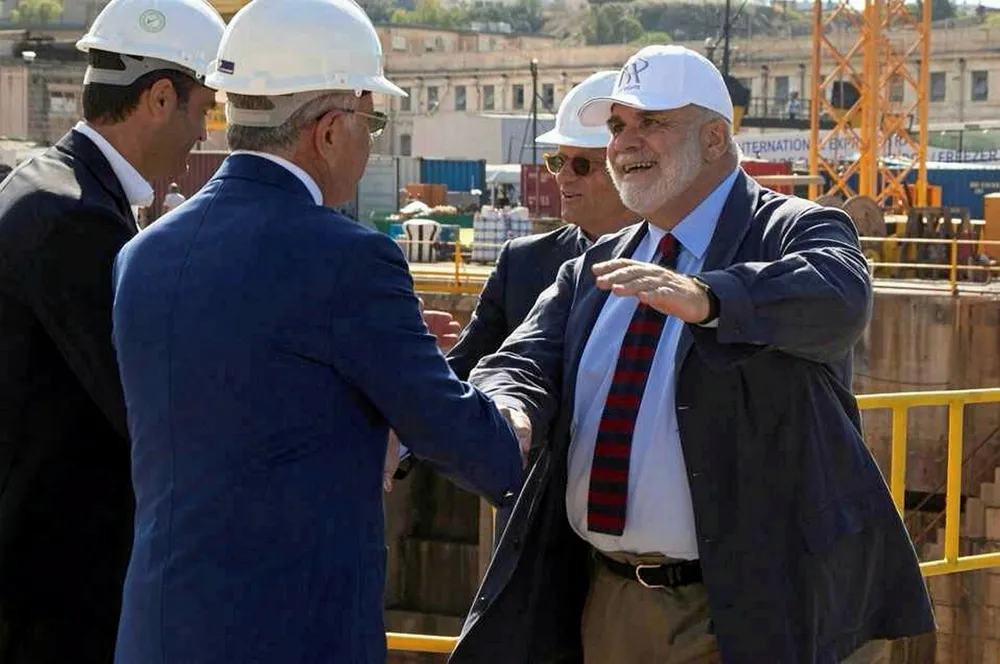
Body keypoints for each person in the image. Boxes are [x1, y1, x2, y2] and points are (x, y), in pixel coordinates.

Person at [449, 45, 935, 664]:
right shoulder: (594, 267)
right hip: (612, 601)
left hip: (751, 603)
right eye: (618, 125)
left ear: (713, 139)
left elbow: (839, 295)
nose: (626, 142)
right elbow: (520, 360)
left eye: (652, 121)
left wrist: (711, 297)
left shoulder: (794, 228)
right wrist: (509, 405)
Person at [109, 1, 527, 662]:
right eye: (373, 122)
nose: (371, 141)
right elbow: (475, 448)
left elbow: (244, 405)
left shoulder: (142, 254)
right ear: (331, 131)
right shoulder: (350, 260)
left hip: (158, 632)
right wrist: (512, 413)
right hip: (293, 637)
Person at [0, 0, 224, 661]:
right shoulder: (74, 218)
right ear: (160, 98)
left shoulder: (54, 188)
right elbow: (146, 409)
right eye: (203, 110)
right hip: (50, 595)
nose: (202, 134)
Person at [447, 70, 641, 381]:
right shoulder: (520, 264)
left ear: (630, 167)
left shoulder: (675, 261)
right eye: (557, 162)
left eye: (581, 165)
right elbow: (465, 372)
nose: (563, 176)